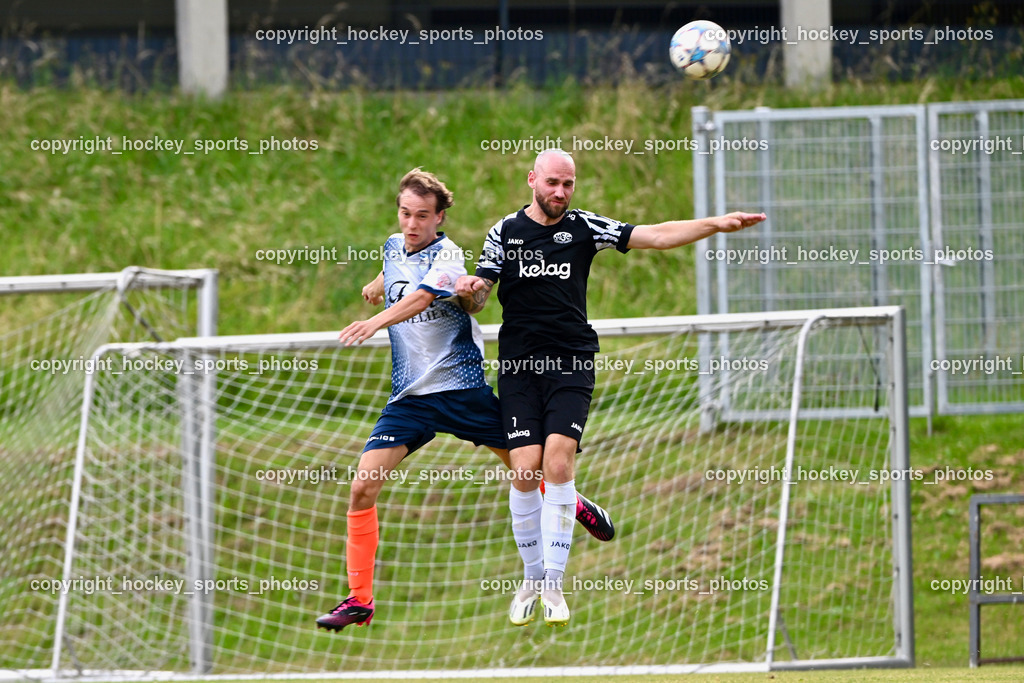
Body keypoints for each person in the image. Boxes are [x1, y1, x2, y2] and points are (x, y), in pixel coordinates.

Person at [455, 148, 766, 627]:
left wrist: (716, 224)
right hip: (519, 367)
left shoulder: (585, 227)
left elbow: (657, 235)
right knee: (523, 470)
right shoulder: (506, 232)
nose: (560, 192)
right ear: (532, 180)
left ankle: (554, 586)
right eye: (553, 183)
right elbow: (480, 296)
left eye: (569, 184)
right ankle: (532, 577)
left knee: (557, 462)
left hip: (572, 363)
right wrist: (470, 293)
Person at [315, 168, 615, 632]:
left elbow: (418, 297)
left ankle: (573, 505)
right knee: (362, 486)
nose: (411, 224)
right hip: (411, 400)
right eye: (404, 213)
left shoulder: (451, 258)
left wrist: (375, 321)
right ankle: (359, 600)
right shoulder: (394, 246)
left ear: (440, 219)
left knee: (528, 470)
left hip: (462, 393)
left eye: (421, 216)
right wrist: (378, 282)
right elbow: (398, 266)